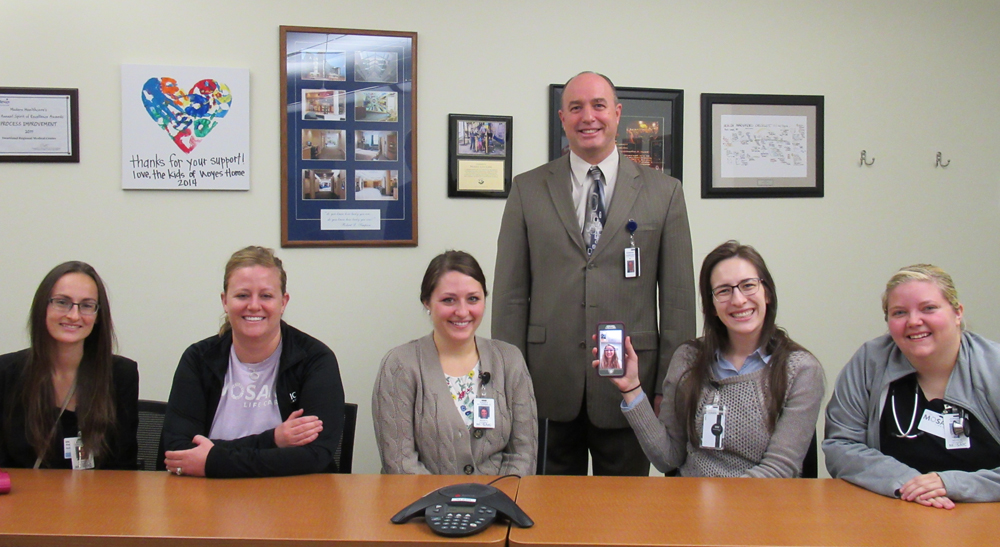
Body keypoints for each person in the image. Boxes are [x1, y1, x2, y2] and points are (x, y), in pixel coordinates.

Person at [493, 71, 695, 475]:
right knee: (548, 516)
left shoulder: (664, 191)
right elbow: (510, 296)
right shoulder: (527, 189)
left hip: (631, 385)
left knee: (625, 521)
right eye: (576, 107)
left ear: (617, 114)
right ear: (562, 119)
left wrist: (668, 388)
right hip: (545, 384)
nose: (589, 116)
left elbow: (677, 300)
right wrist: (507, 381)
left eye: (599, 105)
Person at [598, 241, 824, 477]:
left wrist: (714, 507)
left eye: (748, 285)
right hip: (689, 502)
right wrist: (632, 389)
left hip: (759, 507)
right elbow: (668, 459)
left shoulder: (801, 371)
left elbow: (779, 469)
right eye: (724, 290)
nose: (738, 300)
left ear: (766, 293)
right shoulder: (688, 359)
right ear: (712, 305)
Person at [824, 264, 1000, 509]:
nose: (914, 321)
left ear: (957, 313)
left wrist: (951, 484)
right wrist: (907, 483)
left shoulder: (994, 366)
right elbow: (840, 445)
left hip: (985, 513)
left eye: (929, 308)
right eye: (899, 313)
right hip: (895, 507)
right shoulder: (870, 362)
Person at [161, 246, 345, 478]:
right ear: (225, 301)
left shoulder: (315, 360)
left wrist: (214, 459)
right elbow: (177, 451)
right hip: (208, 498)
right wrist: (274, 439)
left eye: (266, 295)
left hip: (295, 498)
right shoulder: (198, 359)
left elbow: (315, 456)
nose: (254, 306)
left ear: (283, 302)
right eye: (242, 295)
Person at [373, 250, 537, 475]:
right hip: (422, 506)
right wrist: (446, 506)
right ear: (427, 302)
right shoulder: (399, 365)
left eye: (473, 299)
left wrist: (495, 503)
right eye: (448, 300)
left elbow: (523, 456)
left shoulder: (510, 360)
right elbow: (400, 464)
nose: (462, 311)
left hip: (499, 504)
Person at [0, 262, 138, 470]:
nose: (74, 315)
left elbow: (124, 468)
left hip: (97, 500)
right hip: (23, 500)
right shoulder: (6, 373)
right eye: (62, 302)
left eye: (86, 305)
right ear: (42, 307)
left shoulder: (120, 375)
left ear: (98, 315)